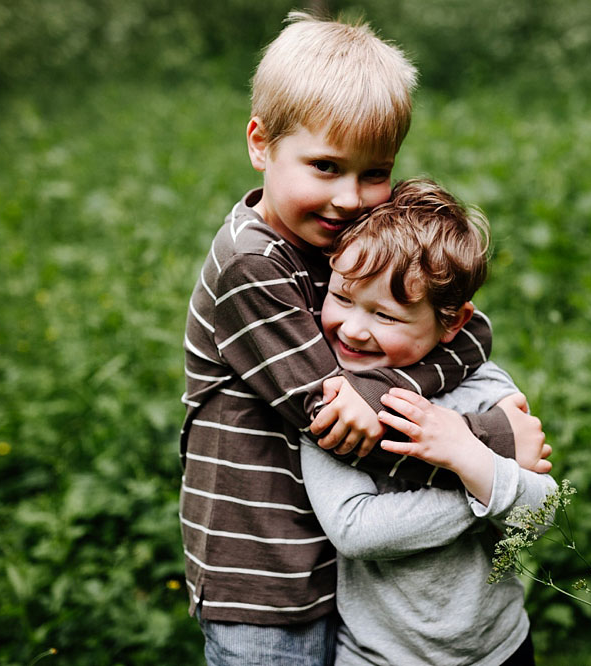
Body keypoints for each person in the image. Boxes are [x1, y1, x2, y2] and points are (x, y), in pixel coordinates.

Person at [178, 12, 550, 665]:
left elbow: (466, 332)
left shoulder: (336, 240)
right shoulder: (251, 265)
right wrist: (491, 444)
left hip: (349, 574)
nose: (351, 198)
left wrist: (400, 402)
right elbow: (339, 423)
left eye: (374, 172)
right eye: (324, 166)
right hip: (268, 573)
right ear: (260, 143)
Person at [301, 178, 556, 665]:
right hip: (380, 655)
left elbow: (540, 514)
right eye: (343, 297)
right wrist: (476, 476)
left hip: (499, 647)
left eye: (387, 316)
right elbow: (356, 529)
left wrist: (464, 448)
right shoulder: (332, 402)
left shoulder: (484, 388)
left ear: (452, 323)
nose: (354, 328)